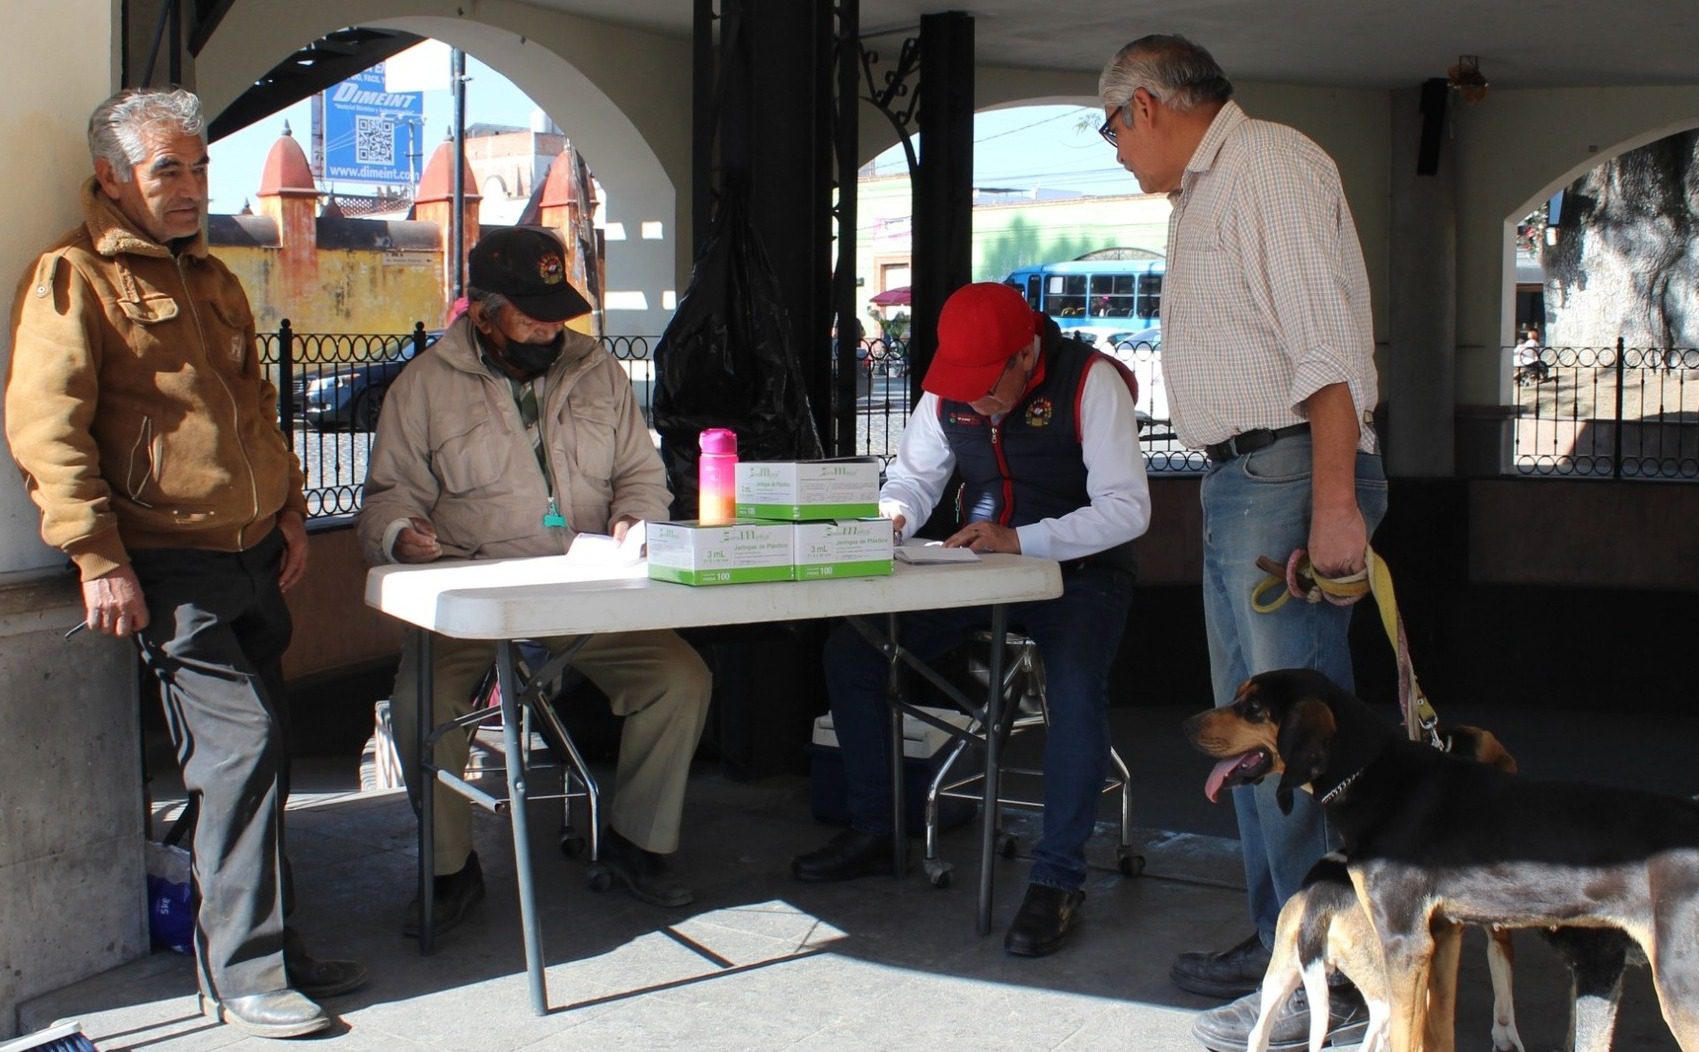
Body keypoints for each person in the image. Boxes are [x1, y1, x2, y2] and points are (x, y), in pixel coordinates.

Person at [4, 87, 364, 1039]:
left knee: (265, 755)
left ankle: (271, 944)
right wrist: (96, 554)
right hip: (167, 563)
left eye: (201, 167)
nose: (193, 186)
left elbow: (256, 404)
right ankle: (244, 972)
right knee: (239, 754)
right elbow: (49, 431)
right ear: (114, 176)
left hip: (250, 553)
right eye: (171, 169)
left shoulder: (212, 278)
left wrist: (289, 503)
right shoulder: (72, 277)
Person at [1099, 34, 1387, 1050]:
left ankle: (1329, 982)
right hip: (1248, 478)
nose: (1115, 148)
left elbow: (1326, 351)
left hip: (1285, 472)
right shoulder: (1206, 192)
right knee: (1254, 745)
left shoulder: (1263, 163)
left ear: (1144, 104)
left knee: (1298, 746)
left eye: (1109, 126)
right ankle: (1283, 942)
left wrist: (1335, 500)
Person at [356, 226, 712, 934]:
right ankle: (449, 870)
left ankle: (639, 842)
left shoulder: (597, 369)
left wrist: (635, 521)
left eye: (556, 308)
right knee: (420, 702)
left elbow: (642, 474)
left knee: (680, 678)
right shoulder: (424, 385)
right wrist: (402, 535)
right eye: (531, 310)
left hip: (586, 585)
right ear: (485, 311)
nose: (551, 325)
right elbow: (388, 494)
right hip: (472, 589)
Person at [790, 281, 1149, 959]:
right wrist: (893, 516)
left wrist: (1025, 538)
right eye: (965, 386)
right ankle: (876, 827)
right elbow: (914, 478)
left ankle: (1057, 879)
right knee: (855, 652)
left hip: (1083, 574)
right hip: (980, 565)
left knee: (1073, 691)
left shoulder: (1091, 382)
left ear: (1025, 356)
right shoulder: (951, 388)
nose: (976, 400)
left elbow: (1128, 508)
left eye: (990, 384)